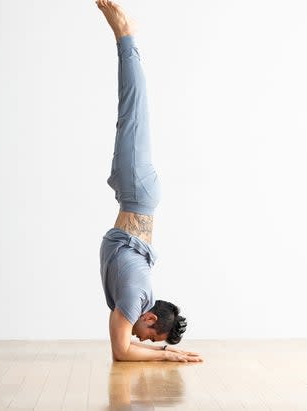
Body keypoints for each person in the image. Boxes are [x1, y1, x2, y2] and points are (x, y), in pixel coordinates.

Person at [96, 0, 203, 363]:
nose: (146, 340)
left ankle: (126, 38)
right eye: (152, 337)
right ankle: (126, 35)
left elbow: (129, 346)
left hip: (133, 194)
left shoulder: (138, 297)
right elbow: (122, 353)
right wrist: (166, 358)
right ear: (150, 318)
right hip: (136, 191)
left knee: (130, 115)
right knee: (133, 110)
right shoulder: (133, 296)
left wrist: (168, 352)